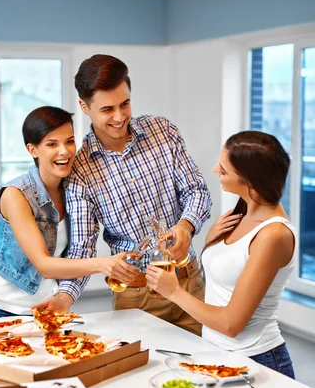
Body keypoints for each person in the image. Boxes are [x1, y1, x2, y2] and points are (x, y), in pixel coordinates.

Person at [37, 55, 212, 336]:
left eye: (125, 104)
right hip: (136, 296)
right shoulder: (80, 171)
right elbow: (83, 247)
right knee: (142, 374)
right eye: (107, 109)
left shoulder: (163, 131)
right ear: (84, 107)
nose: (119, 117)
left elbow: (197, 191)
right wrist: (65, 297)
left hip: (189, 285)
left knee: (202, 370)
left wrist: (186, 226)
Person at [146, 130, 296, 377]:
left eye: (224, 170)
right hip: (218, 354)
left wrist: (172, 291)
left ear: (251, 182)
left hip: (257, 360)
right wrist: (211, 241)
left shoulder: (274, 234)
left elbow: (230, 324)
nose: (216, 170)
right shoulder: (242, 213)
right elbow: (225, 280)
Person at [0, 106, 138, 324]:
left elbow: (81, 248)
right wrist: (103, 264)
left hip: (47, 308)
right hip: (0, 310)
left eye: (69, 141)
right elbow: (44, 265)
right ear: (33, 150)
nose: (65, 151)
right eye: (52, 144)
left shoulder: (76, 190)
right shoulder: (15, 195)